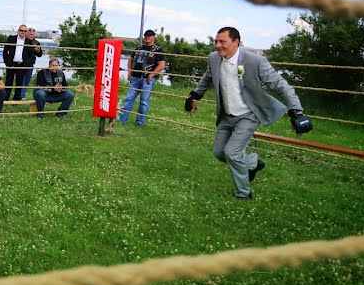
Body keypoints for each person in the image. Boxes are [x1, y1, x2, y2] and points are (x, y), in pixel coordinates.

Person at [185, 27, 312, 200]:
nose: (218, 46)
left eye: (223, 42)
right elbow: (208, 77)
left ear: (236, 42)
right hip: (226, 114)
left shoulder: (255, 61)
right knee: (219, 153)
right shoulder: (214, 58)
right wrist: (196, 95)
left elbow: (281, 85)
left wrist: (296, 111)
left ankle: (243, 194)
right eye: (216, 41)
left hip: (248, 114)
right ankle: (252, 163)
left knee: (232, 153)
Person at [112, 29, 166, 130]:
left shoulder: (158, 50)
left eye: (149, 36)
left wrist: (152, 74)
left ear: (153, 37)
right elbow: (130, 60)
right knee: (129, 99)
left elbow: (162, 65)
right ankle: (122, 119)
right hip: (135, 78)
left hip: (147, 79)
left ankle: (140, 122)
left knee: (144, 101)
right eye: (146, 36)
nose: (147, 38)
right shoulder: (139, 48)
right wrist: (129, 72)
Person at [3, 24, 42, 101]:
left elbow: (39, 54)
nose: (23, 32)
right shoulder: (11, 38)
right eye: (21, 30)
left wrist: (37, 51)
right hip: (11, 64)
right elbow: (5, 51)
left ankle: (16, 99)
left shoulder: (29, 41)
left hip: (22, 65)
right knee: (8, 81)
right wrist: (7, 62)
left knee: (19, 83)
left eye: (24, 31)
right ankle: (5, 99)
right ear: (18, 31)